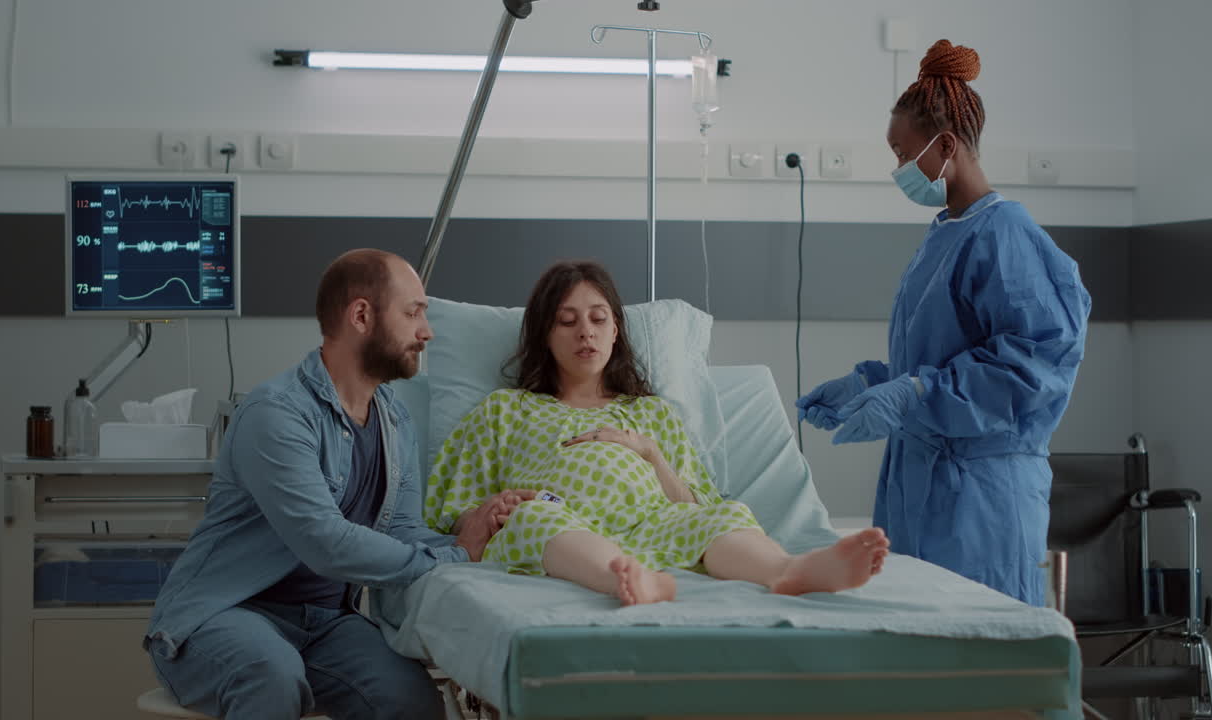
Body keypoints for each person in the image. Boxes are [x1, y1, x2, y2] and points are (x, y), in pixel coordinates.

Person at [144, 249, 532, 720]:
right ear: (362, 315)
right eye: (413, 313)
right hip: (225, 615)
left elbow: (402, 533)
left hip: (326, 624)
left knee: (411, 700)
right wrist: (453, 555)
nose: (426, 331)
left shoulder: (395, 419)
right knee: (271, 677)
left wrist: (468, 533)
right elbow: (326, 543)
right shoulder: (278, 414)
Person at [795, 40, 1091, 606]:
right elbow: (937, 354)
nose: (899, 169)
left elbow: (1033, 368)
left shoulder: (1006, 236)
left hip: (982, 496)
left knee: (983, 660)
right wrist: (874, 382)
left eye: (903, 153)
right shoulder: (947, 232)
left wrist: (914, 392)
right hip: (925, 487)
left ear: (946, 146)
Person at [425, 260, 889, 606]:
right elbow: (455, 518)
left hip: (653, 521)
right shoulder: (506, 410)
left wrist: (649, 452)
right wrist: (490, 510)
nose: (585, 332)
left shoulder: (652, 414)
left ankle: (790, 569)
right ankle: (626, 578)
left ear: (616, 333)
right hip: (560, 522)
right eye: (567, 322)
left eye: (598, 318)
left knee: (724, 515)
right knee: (534, 521)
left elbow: (692, 507)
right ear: (545, 337)